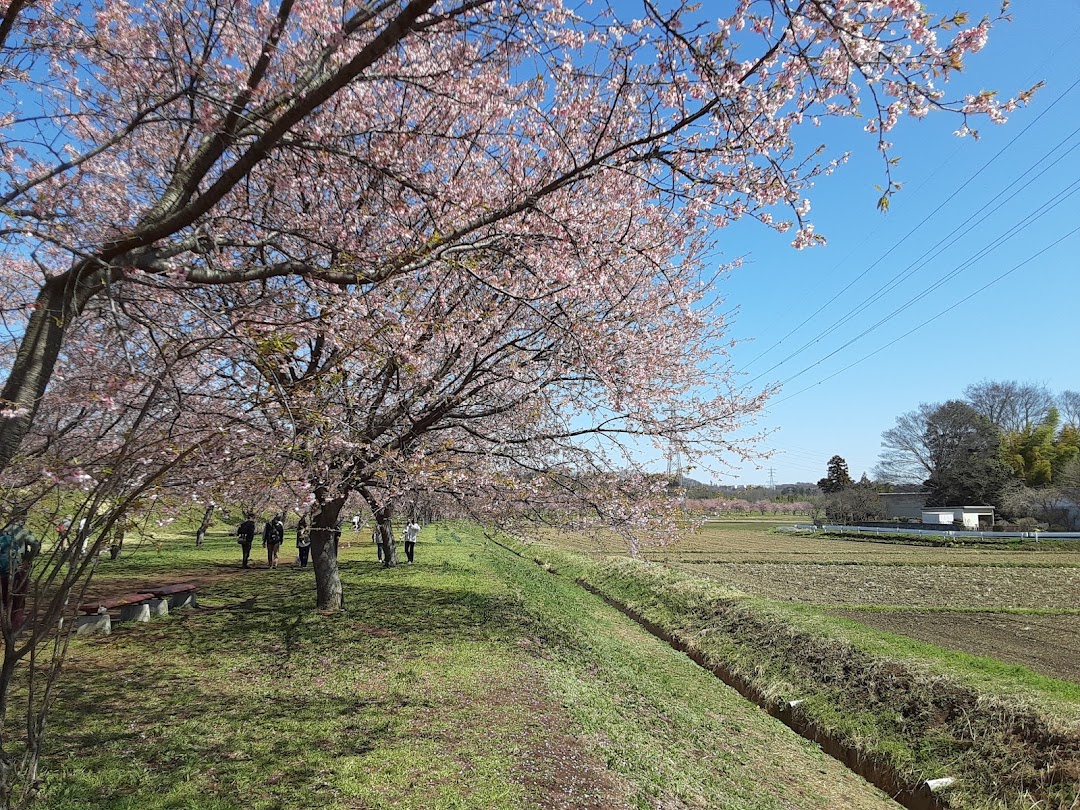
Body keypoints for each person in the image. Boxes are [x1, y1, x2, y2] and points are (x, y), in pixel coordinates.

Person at [0, 513, 39, 632]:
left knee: (2, 599)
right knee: (18, 600)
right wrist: (28, 559)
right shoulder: (24, 532)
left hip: (2, 571)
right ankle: (15, 627)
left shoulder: (2, 531)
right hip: (18, 570)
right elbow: (36, 545)